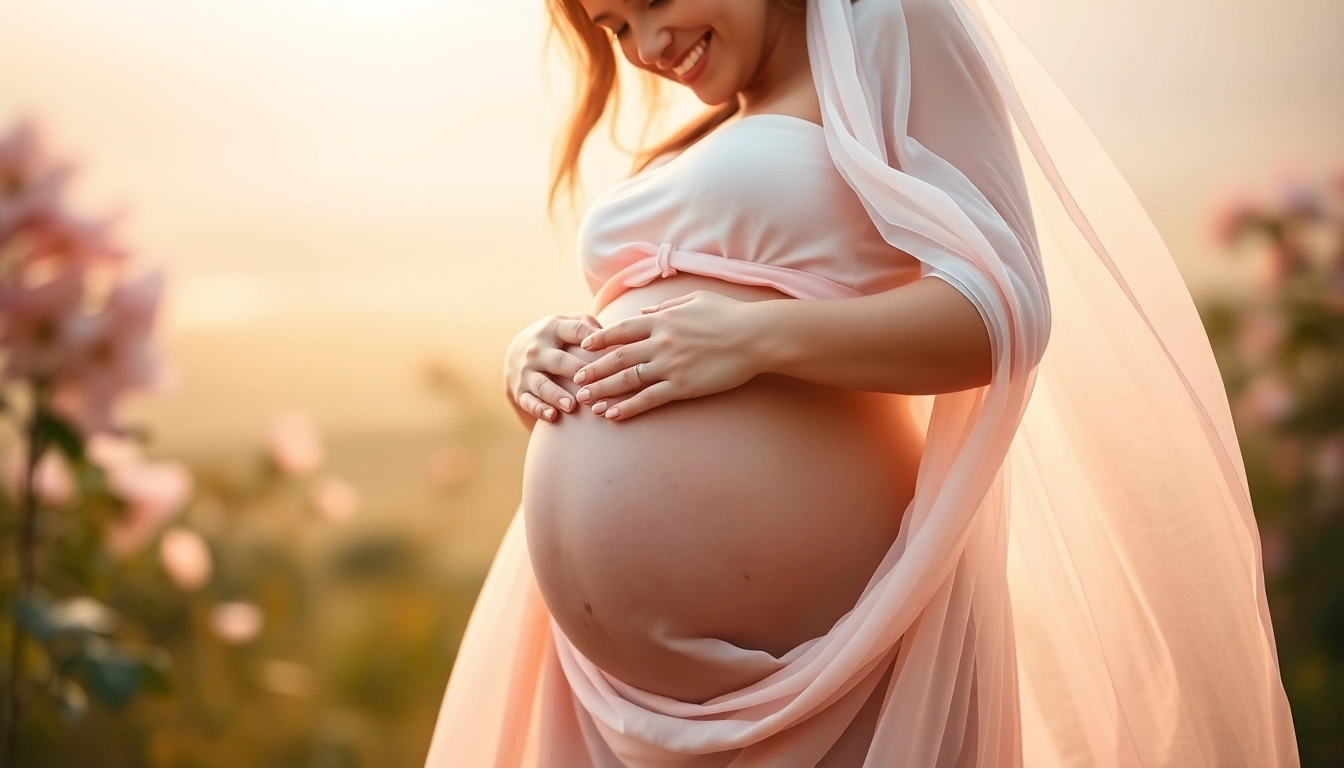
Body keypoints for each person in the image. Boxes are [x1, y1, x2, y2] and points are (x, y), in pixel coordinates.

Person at [423, 0, 1301, 765]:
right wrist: (537, 352)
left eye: (655, 0)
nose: (647, 45)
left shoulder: (890, 17)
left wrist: (753, 339)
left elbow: (1003, 308)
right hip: (603, 683)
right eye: (615, 27)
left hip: (827, 666)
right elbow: (668, 317)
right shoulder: (722, 124)